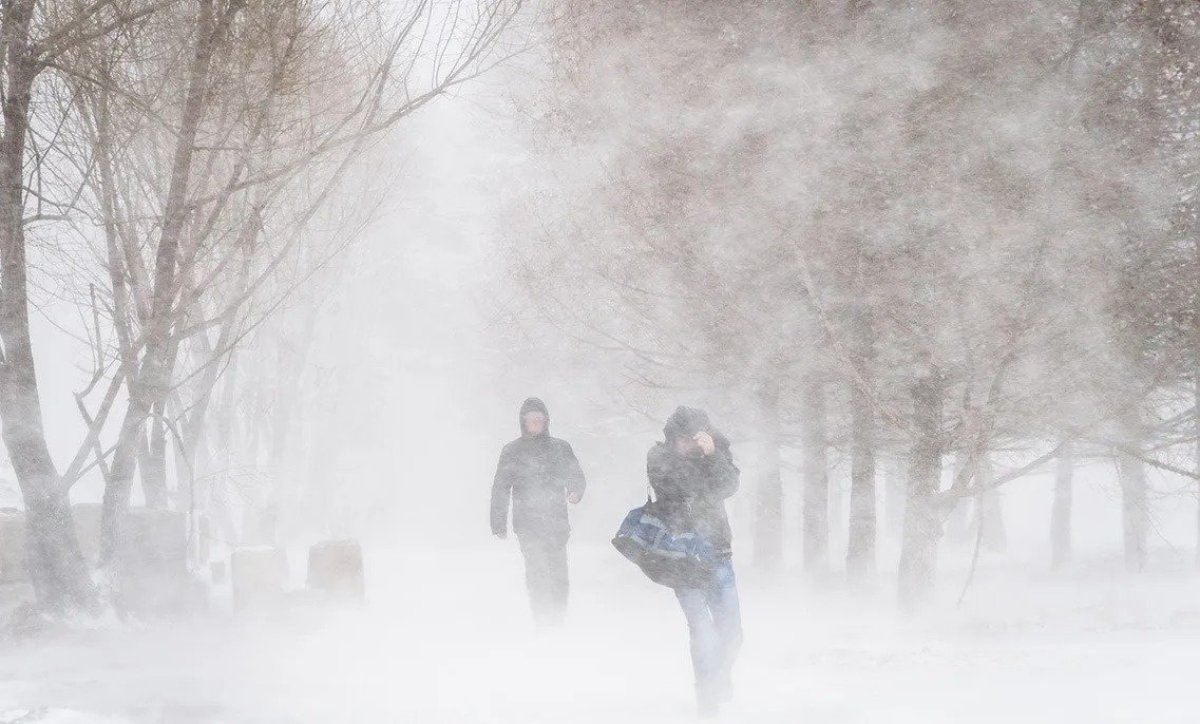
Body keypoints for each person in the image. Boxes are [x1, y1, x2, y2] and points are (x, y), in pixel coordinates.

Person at [648, 406, 741, 716]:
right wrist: (698, 460)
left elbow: (728, 487)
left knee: (731, 631)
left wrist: (713, 454)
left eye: (696, 438)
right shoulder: (659, 457)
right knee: (702, 631)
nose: (690, 444)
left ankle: (719, 679)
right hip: (682, 557)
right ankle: (707, 702)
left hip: (718, 552)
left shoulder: (716, 453)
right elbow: (678, 489)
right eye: (684, 438)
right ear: (673, 438)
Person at [490, 397, 586, 625]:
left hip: (557, 524)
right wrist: (498, 522)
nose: (535, 423)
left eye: (539, 419)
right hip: (527, 525)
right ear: (523, 422)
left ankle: (558, 621)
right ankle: (543, 623)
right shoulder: (512, 451)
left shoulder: (560, 448)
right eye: (530, 419)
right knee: (538, 574)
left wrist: (575, 491)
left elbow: (576, 475)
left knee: (558, 576)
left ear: (546, 422)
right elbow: (501, 487)